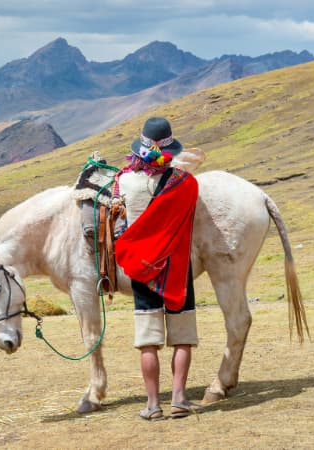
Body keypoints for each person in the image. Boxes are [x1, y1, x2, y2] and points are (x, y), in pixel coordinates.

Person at [112, 117, 202, 421]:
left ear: (140, 147)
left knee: (148, 340)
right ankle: (179, 398)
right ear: (169, 148)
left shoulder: (124, 181)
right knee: (182, 336)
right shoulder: (186, 183)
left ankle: (152, 405)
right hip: (176, 267)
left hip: (141, 267)